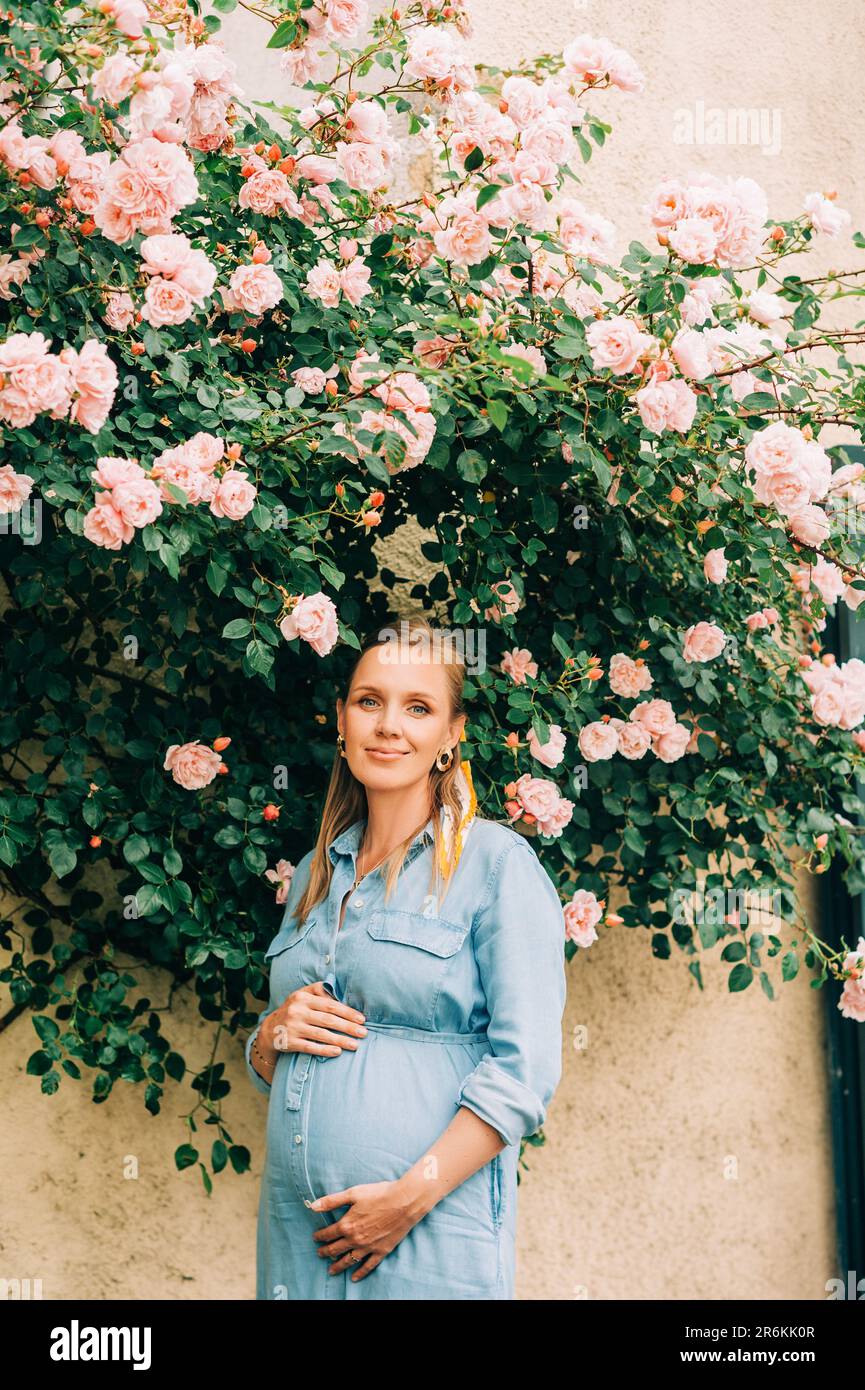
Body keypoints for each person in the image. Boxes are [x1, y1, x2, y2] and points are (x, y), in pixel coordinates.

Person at [245, 617, 567, 1299]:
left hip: (427, 1235)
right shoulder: (311, 873)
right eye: (369, 701)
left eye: (417, 707)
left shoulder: (495, 866)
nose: (389, 725)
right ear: (342, 719)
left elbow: (524, 1071)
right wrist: (269, 1037)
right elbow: (280, 1057)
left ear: (451, 734)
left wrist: (405, 1200)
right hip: (295, 1238)